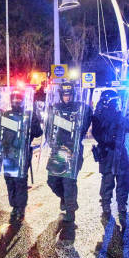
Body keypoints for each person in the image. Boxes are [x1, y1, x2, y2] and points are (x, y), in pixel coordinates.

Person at [46, 82, 92, 222]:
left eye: (70, 94)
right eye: (65, 95)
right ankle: (65, 198)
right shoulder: (56, 108)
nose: (67, 97)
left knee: (69, 182)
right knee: (52, 181)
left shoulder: (80, 107)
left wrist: (80, 132)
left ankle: (71, 213)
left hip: (73, 150)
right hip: (58, 150)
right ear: (61, 95)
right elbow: (49, 128)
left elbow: (88, 118)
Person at [91, 89, 129, 227]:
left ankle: (120, 205)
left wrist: (122, 118)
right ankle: (107, 205)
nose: (116, 104)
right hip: (108, 152)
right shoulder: (99, 116)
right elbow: (97, 134)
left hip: (119, 152)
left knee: (121, 180)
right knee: (108, 180)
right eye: (114, 102)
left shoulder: (118, 115)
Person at [1, 87, 43, 224]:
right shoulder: (6, 115)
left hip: (22, 153)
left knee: (20, 182)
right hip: (8, 154)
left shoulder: (28, 115)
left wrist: (32, 124)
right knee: (10, 181)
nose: (16, 102)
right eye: (14, 99)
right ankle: (14, 206)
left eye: (18, 100)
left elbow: (38, 132)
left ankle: (20, 208)